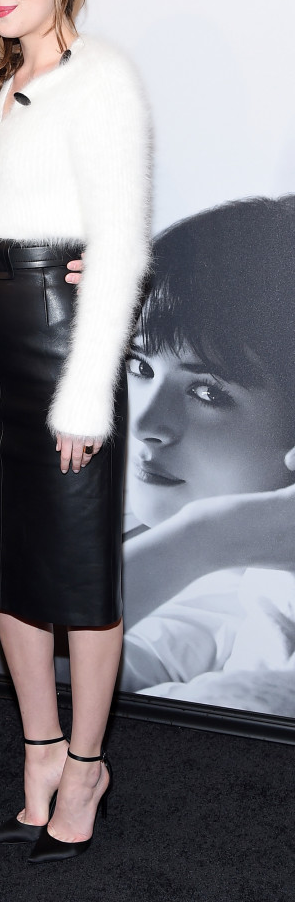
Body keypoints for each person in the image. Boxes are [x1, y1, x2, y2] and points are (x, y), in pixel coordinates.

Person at [0, 0, 150, 861]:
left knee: (77, 577)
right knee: (8, 571)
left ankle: (87, 765)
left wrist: (84, 394)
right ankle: (38, 754)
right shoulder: (0, 90)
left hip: (65, 351)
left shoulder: (98, 77)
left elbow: (120, 245)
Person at [119, 196, 295, 715]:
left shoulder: (244, 604)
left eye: (207, 392)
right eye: (139, 367)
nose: (144, 424)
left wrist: (207, 539)